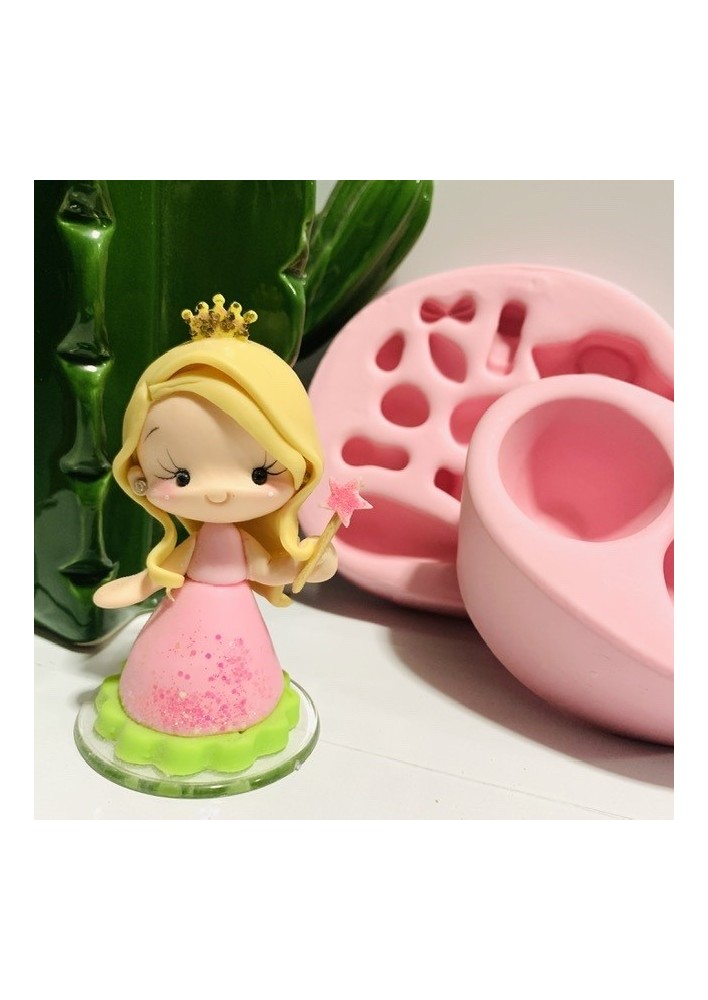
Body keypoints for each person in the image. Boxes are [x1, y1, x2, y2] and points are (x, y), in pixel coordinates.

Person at [93, 295, 337, 742]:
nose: (219, 492)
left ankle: (240, 707)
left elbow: (269, 569)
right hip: (183, 611)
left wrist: (309, 562)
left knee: (240, 678)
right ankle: (163, 705)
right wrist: (140, 585)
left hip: (235, 621)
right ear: (139, 472)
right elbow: (169, 569)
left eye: (259, 473)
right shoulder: (198, 545)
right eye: (181, 476)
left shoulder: (242, 546)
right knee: (166, 668)